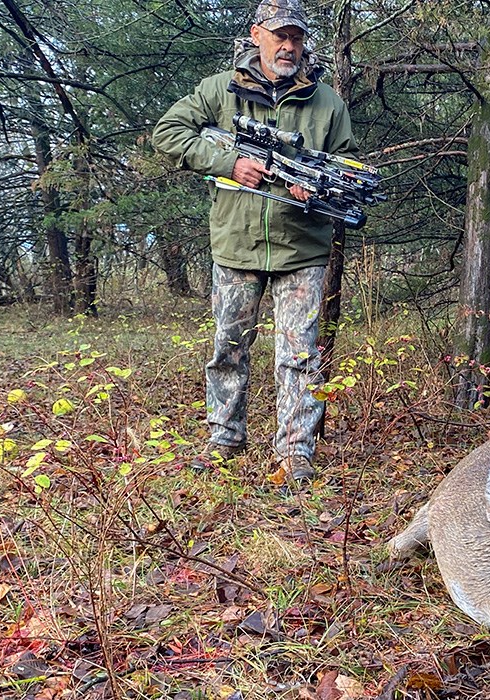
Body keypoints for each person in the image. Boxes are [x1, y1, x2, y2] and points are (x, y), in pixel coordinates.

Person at [153, 0, 358, 481]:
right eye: (279, 35)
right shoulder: (218, 91)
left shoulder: (327, 103)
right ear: (256, 35)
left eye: (297, 38)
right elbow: (168, 133)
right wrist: (228, 164)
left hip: (301, 250)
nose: (288, 46)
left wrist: (321, 182)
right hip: (236, 244)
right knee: (228, 347)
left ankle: (294, 455)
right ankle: (224, 441)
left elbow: (347, 162)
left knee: (300, 356)